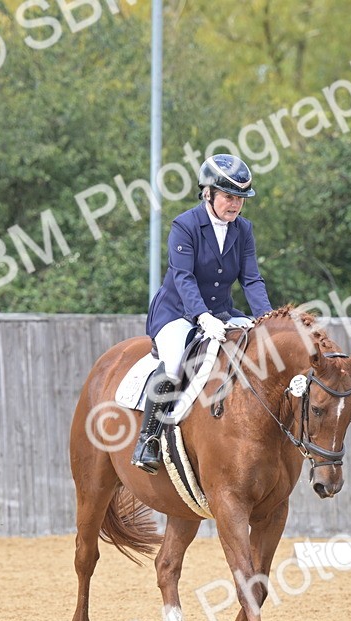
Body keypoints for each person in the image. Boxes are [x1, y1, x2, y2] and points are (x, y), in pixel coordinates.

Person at [131, 154, 274, 473]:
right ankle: (148, 441)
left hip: (222, 313)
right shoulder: (185, 225)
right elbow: (183, 278)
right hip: (177, 313)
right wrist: (201, 316)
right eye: (228, 197)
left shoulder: (243, 230)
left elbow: (251, 279)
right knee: (173, 363)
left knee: (256, 348)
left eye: (240, 198)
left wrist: (267, 320)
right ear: (208, 193)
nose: (235, 204)